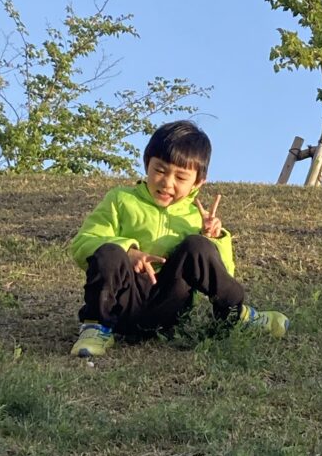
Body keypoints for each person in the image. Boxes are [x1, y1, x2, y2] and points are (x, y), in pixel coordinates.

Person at [69, 119, 289, 357]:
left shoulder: (195, 217)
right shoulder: (120, 199)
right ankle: (96, 327)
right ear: (147, 163)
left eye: (181, 178)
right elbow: (82, 244)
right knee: (109, 251)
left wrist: (213, 238)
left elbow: (225, 272)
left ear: (198, 182)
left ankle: (235, 314)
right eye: (160, 170)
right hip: (122, 304)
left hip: (170, 308)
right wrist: (128, 251)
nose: (167, 183)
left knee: (197, 245)